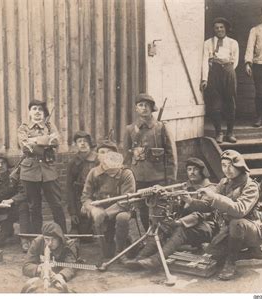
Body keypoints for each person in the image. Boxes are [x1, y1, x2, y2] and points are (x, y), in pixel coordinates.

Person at [125, 157, 218, 270]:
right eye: (189, 169)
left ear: (202, 171)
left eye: (195, 169)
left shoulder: (211, 189)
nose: (192, 172)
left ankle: (156, 261)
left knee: (181, 230)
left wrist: (178, 222)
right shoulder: (187, 186)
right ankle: (140, 259)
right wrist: (165, 193)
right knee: (162, 227)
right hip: (188, 224)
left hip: (207, 226)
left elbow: (201, 214)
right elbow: (176, 201)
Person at [194, 150, 262, 280]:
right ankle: (252, 252)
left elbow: (240, 210)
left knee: (237, 223)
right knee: (212, 253)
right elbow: (209, 205)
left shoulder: (250, 186)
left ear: (239, 165)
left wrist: (214, 197)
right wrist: (190, 201)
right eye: (223, 165)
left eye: (230, 165)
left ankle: (231, 262)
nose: (227, 169)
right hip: (226, 229)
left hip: (251, 230)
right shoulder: (224, 182)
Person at [123, 93, 177, 231]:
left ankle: (161, 236)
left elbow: (171, 155)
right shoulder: (130, 129)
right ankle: (149, 237)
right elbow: (127, 157)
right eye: (141, 105)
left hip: (158, 177)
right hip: (138, 178)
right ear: (136, 109)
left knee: (160, 209)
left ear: (152, 108)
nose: (144, 108)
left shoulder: (161, 128)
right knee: (142, 210)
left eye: (147, 105)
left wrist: (170, 179)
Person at [17, 100, 67, 233]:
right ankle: (36, 237)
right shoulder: (23, 128)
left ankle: (64, 236)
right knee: (34, 206)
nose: (37, 112)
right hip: (29, 171)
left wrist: (34, 141)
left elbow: (56, 142)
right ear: (29, 112)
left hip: (48, 170)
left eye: (40, 109)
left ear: (44, 113)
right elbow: (25, 148)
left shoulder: (50, 126)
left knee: (56, 204)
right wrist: (46, 141)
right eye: (34, 109)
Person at [80, 140, 136, 259]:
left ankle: (121, 249)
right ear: (98, 156)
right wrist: (92, 209)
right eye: (102, 152)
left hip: (121, 209)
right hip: (100, 210)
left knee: (123, 218)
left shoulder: (126, 173)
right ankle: (112, 239)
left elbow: (127, 199)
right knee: (107, 255)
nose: (105, 155)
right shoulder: (94, 173)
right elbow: (86, 196)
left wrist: (105, 213)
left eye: (109, 153)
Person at [201, 17, 239, 143]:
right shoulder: (208, 43)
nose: (219, 30)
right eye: (216, 28)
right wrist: (204, 79)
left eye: (221, 27)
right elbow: (205, 61)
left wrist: (228, 71)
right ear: (213, 29)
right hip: (214, 74)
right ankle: (219, 133)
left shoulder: (233, 43)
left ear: (226, 28)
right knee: (215, 104)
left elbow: (235, 61)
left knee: (230, 103)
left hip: (228, 72)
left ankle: (230, 133)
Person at [0, 152, 31, 251]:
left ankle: (24, 239)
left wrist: (11, 200)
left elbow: (24, 193)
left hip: (12, 211)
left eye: (3, 163)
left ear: (7, 165)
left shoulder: (13, 177)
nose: (0, 166)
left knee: (24, 205)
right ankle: (8, 229)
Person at [66, 131, 98, 235]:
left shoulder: (97, 160)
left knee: (89, 234)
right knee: (79, 235)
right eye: (79, 141)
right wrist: (73, 213)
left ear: (90, 143)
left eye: (85, 141)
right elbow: (69, 187)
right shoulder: (73, 162)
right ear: (76, 145)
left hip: (94, 195)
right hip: (78, 196)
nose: (83, 143)